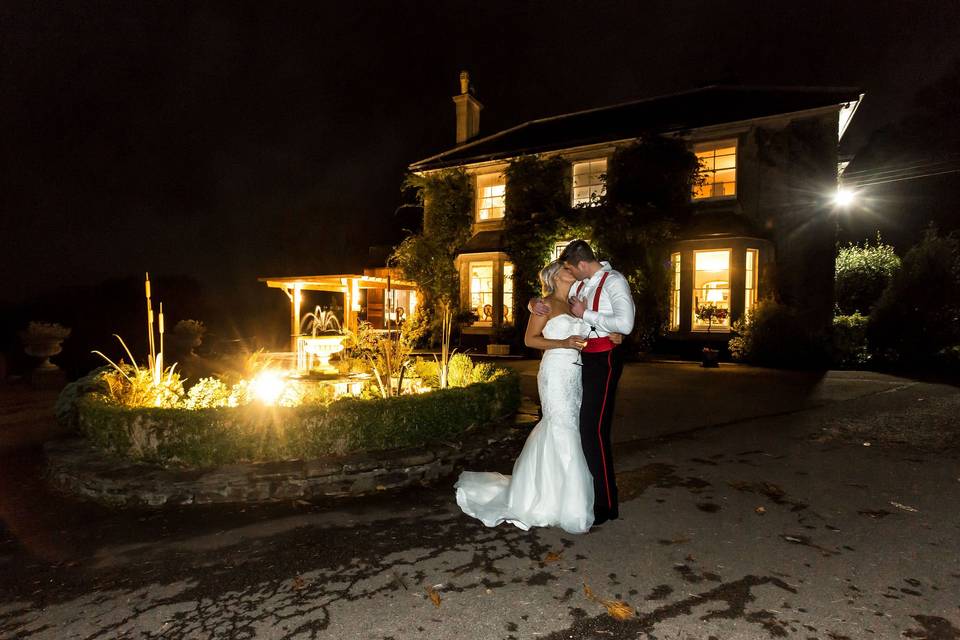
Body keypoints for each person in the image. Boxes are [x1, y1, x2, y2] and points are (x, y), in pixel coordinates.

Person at [454, 261, 596, 534]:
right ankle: (556, 501)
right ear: (554, 277)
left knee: (570, 427)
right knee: (560, 426)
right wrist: (563, 343)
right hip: (554, 371)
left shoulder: (576, 302)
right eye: (565, 269)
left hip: (574, 373)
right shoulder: (545, 304)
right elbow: (530, 340)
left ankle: (560, 493)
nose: (570, 271)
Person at [531, 240, 635, 524]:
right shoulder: (580, 285)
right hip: (577, 364)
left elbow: (624, 324)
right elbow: (553, 300)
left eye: (568, 267)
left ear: (580, 265)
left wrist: (590, 318)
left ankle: (606, 504)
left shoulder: (615, 282)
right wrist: (534, 303)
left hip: (604, 360)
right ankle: (584, 494)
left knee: (592, 431)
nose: (567, 272)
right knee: (580, 429)